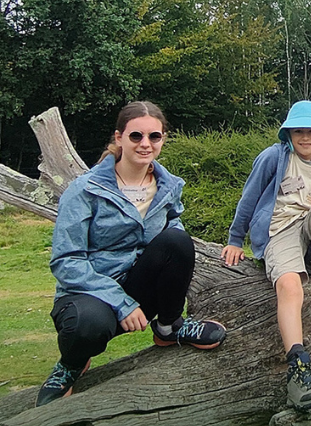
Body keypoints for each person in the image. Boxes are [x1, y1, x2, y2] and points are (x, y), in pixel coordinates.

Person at [37, 101, 226, 407]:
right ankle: (71, 363)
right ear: (119, 137)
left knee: (178, 241)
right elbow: (65, 261)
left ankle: (169, 327)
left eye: (155, 137)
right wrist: (121, 304)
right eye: (136, 136)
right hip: (90, 291)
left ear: (163, 139)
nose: (145, 144)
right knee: (86, 328)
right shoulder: (84, 190)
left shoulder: (167, 187)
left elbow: (171, 239)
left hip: (140, 284)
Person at [221, 100, 311, 410]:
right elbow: (249, 197)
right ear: (288, 134)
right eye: (299, 131)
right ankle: (298, 367)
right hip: (280, 231)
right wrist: (234, 239)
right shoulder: (274, 157)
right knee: (289, 286)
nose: (306, 137)